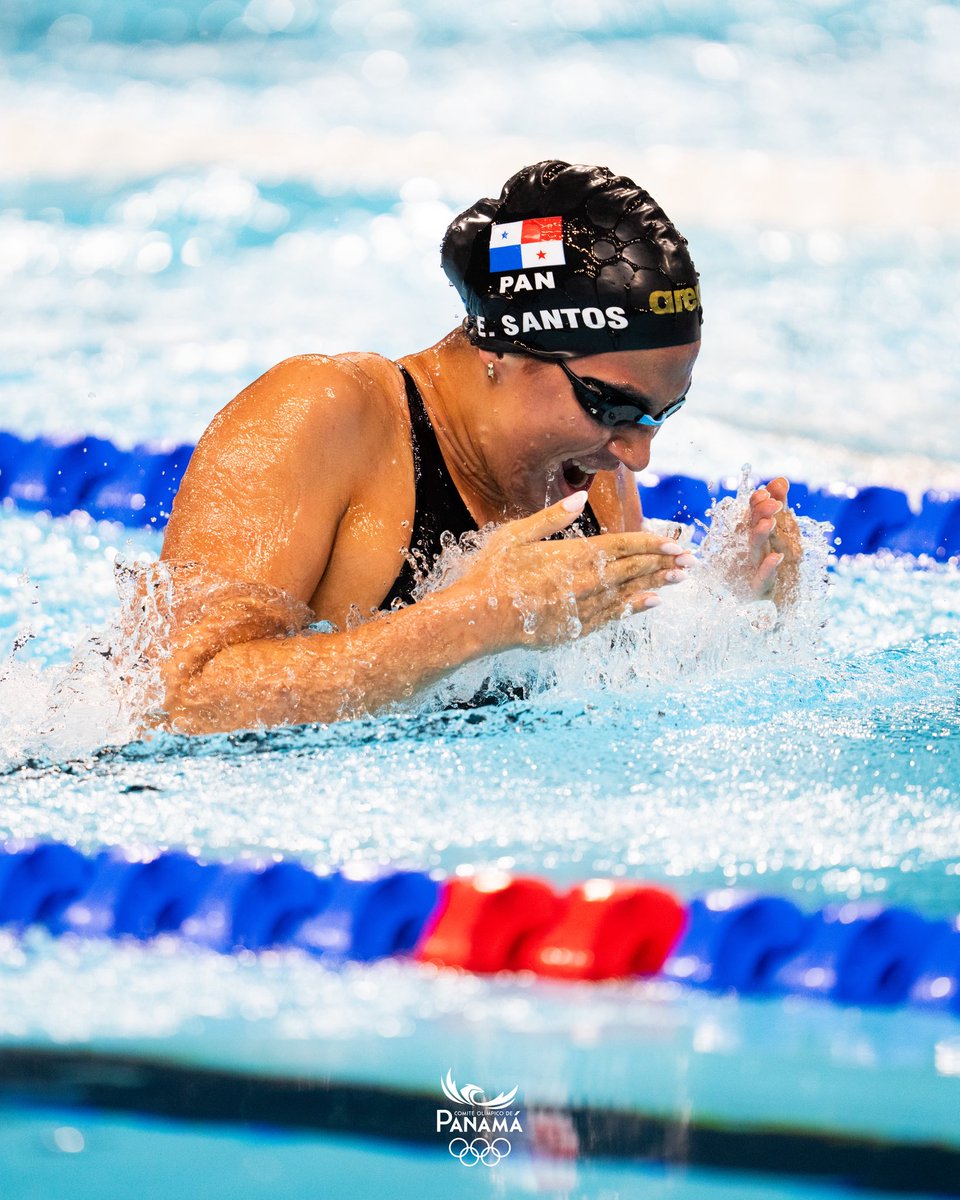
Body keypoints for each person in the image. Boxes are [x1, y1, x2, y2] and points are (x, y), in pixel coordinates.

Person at [156, 161, 800, 734]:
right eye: (614, 406)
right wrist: (475, 619)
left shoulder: (585, 467)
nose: (637, 455)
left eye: (664, 413)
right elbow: (177, 698)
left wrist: (739, 609)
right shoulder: (325, 413)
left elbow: (611, 695)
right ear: (504, 348)